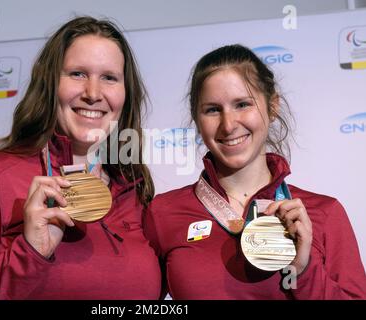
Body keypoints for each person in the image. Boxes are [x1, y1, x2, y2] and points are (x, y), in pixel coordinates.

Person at [0, 16, 161, 299]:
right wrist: (28, 253)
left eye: (109, 77)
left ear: (126, 93)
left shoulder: (134, 188)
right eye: (77, 74)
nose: (93, 93)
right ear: (49, 84)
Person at [144, 44, 366, 299]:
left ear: (272, 107)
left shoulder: (324, 213)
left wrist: (303, 271)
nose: (228, 125)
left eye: (242, 104)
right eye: (213, 110)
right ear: (196, 118)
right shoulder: (163, 213)